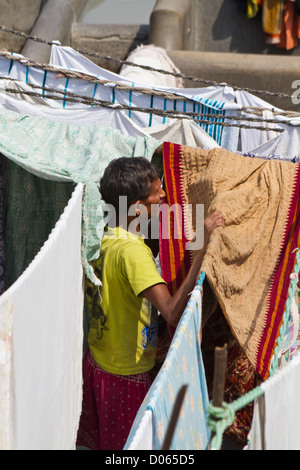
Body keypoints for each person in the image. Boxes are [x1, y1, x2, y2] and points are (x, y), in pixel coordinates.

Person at [76, 157, 225, 450]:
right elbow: (170, 312)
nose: (164, 197)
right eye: (157, 193)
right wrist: (201, 248)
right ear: (136, 208)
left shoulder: (102, 238)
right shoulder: (134, 253)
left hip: (97, 363)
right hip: (124, 379)